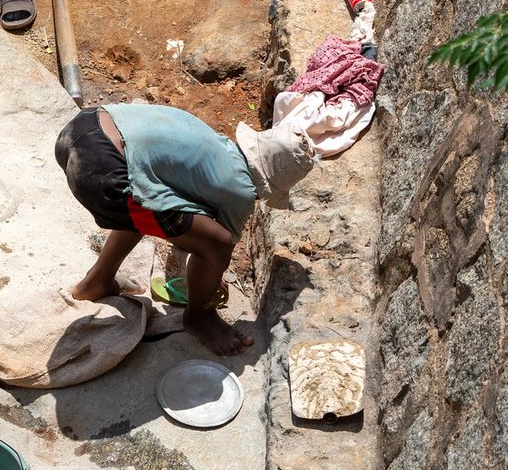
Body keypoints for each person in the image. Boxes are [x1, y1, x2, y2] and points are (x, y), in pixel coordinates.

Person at [54, 104, 314, 355]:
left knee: (150, 201)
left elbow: (171, 215)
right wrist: (210, 281)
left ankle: (96, 282)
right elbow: (215, 248)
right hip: (102, 173)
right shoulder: (242, 190)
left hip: (83, 128)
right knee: (217, 246)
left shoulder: (212, 142)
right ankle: (199, 318)